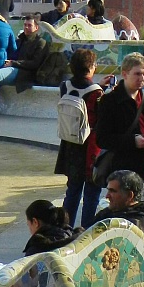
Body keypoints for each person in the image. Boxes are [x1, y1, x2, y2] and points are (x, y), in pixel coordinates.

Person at [95, 52, 144, 181]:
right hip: (125, 171)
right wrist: (133, 141)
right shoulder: (110, 101)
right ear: (125, 74)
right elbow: (102, 139)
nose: (141, 78)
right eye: (137, 74)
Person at [55, 47, 104, 230]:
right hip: (90, 147)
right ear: (91, 67)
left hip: (70, 144)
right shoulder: (96, 92)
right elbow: (98, 119)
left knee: (72, 191)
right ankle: (86, 231)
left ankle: (65, 229)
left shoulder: (64, 86)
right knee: (91, 193)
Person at [0, 14, 48, 115]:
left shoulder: (41, 42)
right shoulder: (19, 41)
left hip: (24, 73)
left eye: (29, 25)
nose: (26, 28)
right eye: (25, 25)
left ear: (36, 27)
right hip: (11, 68)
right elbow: (8, 53)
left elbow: (35, 64)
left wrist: (13, 63)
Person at [92, 170, 144, 235]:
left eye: (112, 191)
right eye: (108, 190)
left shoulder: (142, 219)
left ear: (129, 195)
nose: (107, 196)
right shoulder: (108, 212)